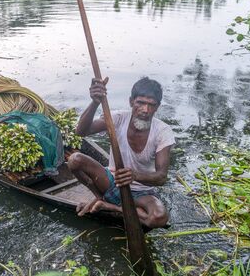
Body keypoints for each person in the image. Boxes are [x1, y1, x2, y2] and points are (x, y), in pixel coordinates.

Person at [67, 77, 175, 228]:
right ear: (131, 102)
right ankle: (99, 196)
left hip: (141, 192)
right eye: (140, 103)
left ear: (157, 107)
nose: (145, 110)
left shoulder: (163, 132)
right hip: (110, 181)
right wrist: (95, 102)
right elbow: (81, 132)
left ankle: (111, 207)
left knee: (159, 217)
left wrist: (134, 176)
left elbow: (161, 177)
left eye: (151, 105)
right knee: (74, 160)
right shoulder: (118, 118)